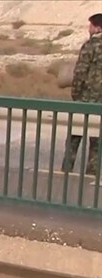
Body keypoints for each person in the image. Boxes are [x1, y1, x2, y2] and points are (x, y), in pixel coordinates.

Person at [65, 13, 102, 176]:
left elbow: (80, 73)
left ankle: (67, 171)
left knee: (74, 137)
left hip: (85, 98)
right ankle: (91, 174)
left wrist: (75, 94)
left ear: (97, 28)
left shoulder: (91, 45)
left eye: (90, 26)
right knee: (96, 140)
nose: (89, 29)